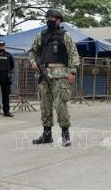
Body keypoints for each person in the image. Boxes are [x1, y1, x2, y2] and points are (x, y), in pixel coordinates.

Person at [29, 9, 80, 147]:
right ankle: (47, 135)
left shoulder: (65, 35)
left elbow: (73, 55)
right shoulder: (41, 35)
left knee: (60, 105)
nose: (49, 19)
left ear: (59, 20)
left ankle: (65, 136)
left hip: (60, 75)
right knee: (45, 105)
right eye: (48, 17)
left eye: (52, 17)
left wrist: (72, 72)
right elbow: (32, 51)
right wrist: (33, 61)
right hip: (43, 73)